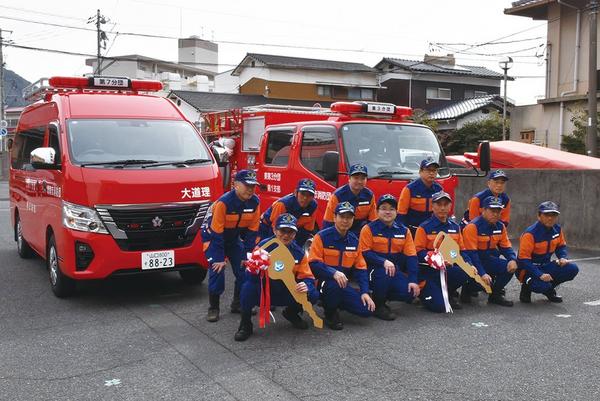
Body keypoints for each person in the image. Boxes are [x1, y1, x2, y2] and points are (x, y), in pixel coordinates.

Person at [234, 214, 319, 341]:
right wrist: (254, 268)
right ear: (274, 230)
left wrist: (306, 284)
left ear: (295, 234)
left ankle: (291, 313)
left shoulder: (299, 253)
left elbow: (308, 276)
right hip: (265, 291)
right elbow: (249, 274)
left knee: (312, 294)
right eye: (282, 231)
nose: (286, 235)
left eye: (290, 232)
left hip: (286, 290)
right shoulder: (263, 247)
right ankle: (245, 324)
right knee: (247, 288)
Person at [201, 170, 261, 322]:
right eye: (247, 185)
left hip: (233, 239)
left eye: (253, 186)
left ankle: (238, 303)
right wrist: (219, 258)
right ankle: (213, 308)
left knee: (244, 269)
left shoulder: (255, 202)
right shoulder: (224, 202)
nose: (250, 189)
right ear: (235, 185)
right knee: (217, 270)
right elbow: (216, 232)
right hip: (214, 238)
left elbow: (252, 231)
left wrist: (247, 254)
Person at [309, 202, 375, 330]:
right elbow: (313, 263)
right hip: (322, 282)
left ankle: (335, 301)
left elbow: (360, 268)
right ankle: (330, 313)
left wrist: (364, 292)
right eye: (342, 216)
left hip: (342, 284)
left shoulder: (354, 241)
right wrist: (333, 272)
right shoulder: (321, 237)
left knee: (366, 310)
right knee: (333, 285)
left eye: (349, 217)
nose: (345, 220)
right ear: (334, 217)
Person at [359, 194, 419, 320]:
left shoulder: (404, 231)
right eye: (384, 208)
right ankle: (379, 304)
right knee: (384, 273)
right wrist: (383, 261)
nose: (388, 212)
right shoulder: (368, 229)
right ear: (377, 211)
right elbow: (364, 252)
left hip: (393, 270)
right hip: (372, 270)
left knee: (410, 292)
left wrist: (413, 279)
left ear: (396, 212)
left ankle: (381, 296)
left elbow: (411, 256)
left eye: (391, 209)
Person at [414, 191, 471, 312]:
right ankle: (426, 294)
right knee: (439, 307)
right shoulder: (424, 227)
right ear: (432, 206)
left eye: (446, 204)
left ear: (450, 206)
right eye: (439, 204)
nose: (442, 208)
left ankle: (448, 293)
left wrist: (469, 265)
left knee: (464, 271)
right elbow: (418, 252)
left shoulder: (455, 227)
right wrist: (436, 259)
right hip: (429, 272)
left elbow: (461, 251)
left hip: (448, 269)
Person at [516, 201, 579, 303]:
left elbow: (561, 246)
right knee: (541, 285)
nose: (550, 218)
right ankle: (527, 287)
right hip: (527, 269)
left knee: (572, 269)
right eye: (546, 215)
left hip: (545, 265)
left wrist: (563, 257)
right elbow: (523, 260)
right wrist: (540, 274)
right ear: (539, 216)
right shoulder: (530, 234)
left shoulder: (557, 229)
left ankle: (548, 289)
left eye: (553, 215)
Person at [462, 196, 517, 307]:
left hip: (487, 259)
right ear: (483, 210)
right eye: (492, 211)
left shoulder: (500, 226)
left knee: (510, 267)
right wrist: (482, 273)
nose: (496, 214)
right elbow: (472, 254)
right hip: (471, 263)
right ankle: (467, 289)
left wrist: (512, 259)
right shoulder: (473, 227)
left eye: (498, 211)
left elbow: (506, 246)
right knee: (481, 283)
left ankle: (495, 295)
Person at [258, 178, 318, 247]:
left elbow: (307, 230)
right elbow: (274, 230)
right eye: (302, 194)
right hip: (266, 228)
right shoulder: (282, 204)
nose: (305, 198)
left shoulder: (313, 206)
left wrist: (297, 248)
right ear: (296, 192)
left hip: (291, 230)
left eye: (309, 195)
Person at [322, 163, 376, 237]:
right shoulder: (337, 196)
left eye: (363, 178)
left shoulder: (369, 196)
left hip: (361, 235)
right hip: (340, 234)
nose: (359, 181)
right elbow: (328, 222)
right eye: (356, 178)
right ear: (349, 179)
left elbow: (373, 222)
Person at [397, 158, 443, 234]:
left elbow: (441, 212)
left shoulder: (439, 189)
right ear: (420, 172)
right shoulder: (410, 189)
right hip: (413, 230)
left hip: (432, 231)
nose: (431, 173)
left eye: (434, 170)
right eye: (428, 170)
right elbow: (401, 214)